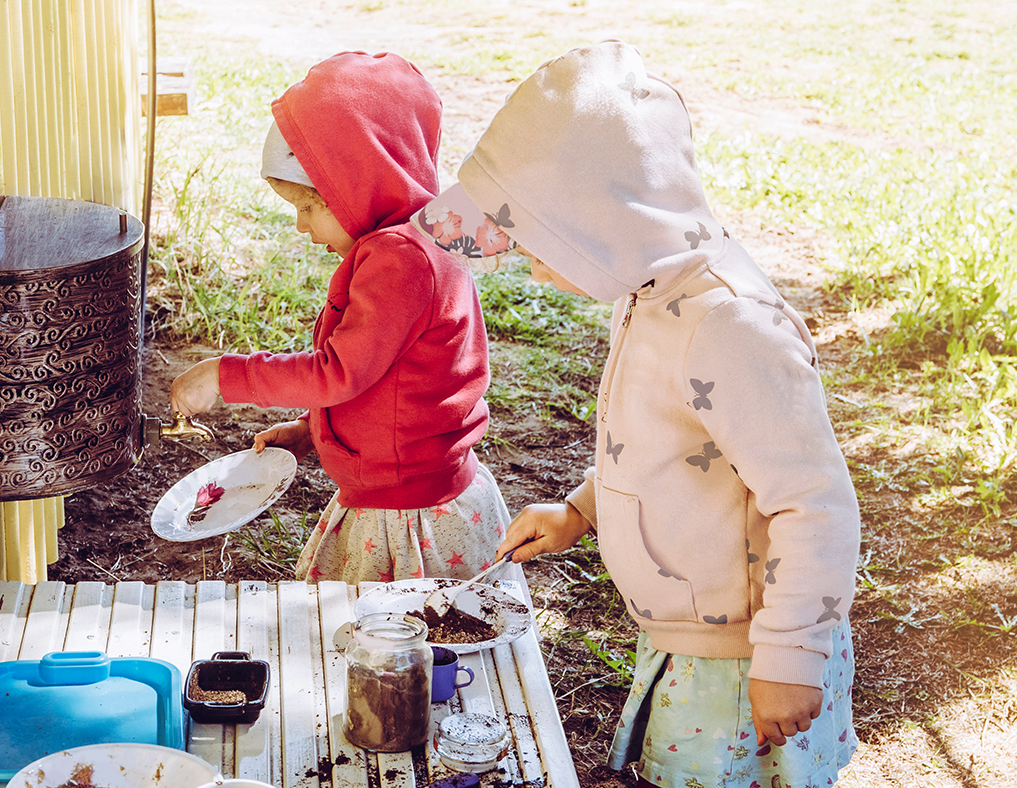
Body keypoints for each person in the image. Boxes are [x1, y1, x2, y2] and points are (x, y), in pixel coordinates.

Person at [415, 41, 861, 788]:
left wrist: (790, 656)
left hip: (748, 653)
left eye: (539, 242)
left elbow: (815, 502)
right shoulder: (649, 285)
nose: (530, 264)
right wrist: (580, 510)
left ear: (606, 222)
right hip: (694, 640)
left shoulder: (734, 327)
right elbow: (664, 448)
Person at [169, 51, 512, 584]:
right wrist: (315, 430)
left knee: (386, 644)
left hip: (406, 513)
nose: (302, 227)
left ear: (360, 184)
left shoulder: (400, 261)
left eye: (309, 207)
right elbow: (396, 379)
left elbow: (339, 371)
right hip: (405, 485)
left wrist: (225, 373)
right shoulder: (419, 236)